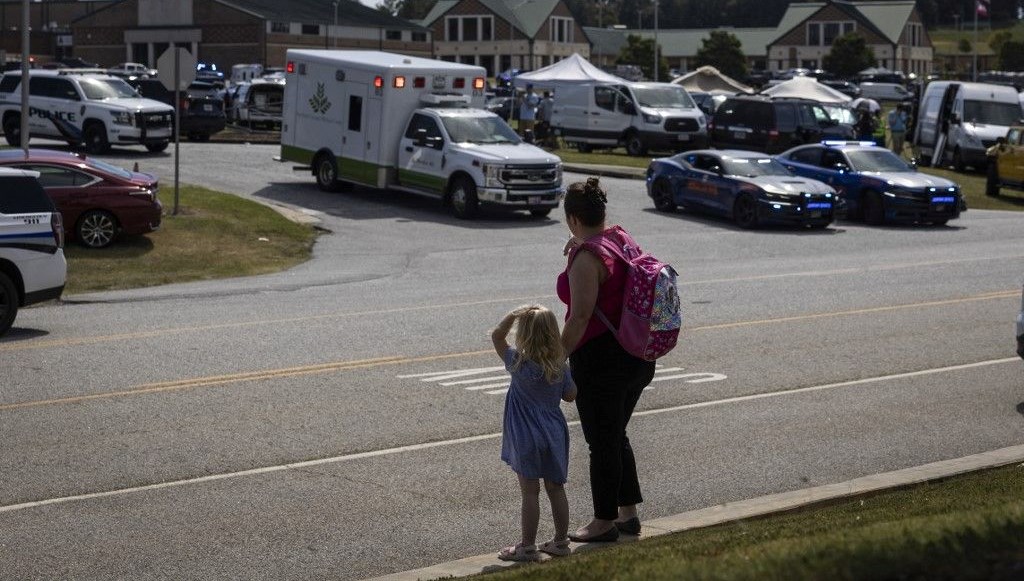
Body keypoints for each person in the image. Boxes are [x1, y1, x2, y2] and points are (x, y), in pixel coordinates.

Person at [557, 177, 657, 543]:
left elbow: (579, 317)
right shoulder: (619, 238)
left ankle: (603, 521)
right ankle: (628, 515)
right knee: (615, 435)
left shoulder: (587, 258)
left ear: (572, 218)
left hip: (602, 363)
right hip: (637, 356)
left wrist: (556, 359)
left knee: (601, 442)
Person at [491, 305, 578, 562]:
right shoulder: (559, 366)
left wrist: (513, 315)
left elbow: (497, 336)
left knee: (530, 492)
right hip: (553, 433)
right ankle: (561, 541)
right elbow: (571, 396)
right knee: (556, 488)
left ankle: (527, 546)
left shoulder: (517, 362)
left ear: (524, 334)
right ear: (553, 332)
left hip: (525, 435)